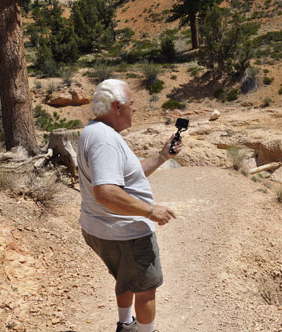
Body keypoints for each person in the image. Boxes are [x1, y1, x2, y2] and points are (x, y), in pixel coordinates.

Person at [77, 79, 182, 332]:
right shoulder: (106, 141)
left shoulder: (93, 131)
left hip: (102, 228)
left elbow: (123, 178)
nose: (135, 109)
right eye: (132, 104)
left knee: (125, 279)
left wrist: (162, 156)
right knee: (146, 290)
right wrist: (150, 210)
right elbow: (106, 192)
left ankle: (125, 324)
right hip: (126, 232)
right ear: (117, 106)